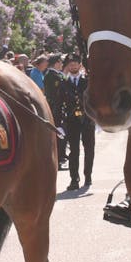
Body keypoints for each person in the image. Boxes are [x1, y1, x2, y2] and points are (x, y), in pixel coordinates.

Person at [57, 54, 93, 191]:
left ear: (80, 65)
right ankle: (74, 179)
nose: (73, 66)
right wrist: (58, 123)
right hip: (72, 120)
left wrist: (97, 117)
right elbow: (59, 104)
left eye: (75, 64)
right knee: (74, 151)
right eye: (70, 64)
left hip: (87, 119)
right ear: (67, 66)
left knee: (89, 149)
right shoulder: (63, 83)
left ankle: (88, 175)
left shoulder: (88, 81)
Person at [42, 53, 67, 169]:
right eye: (60, 62)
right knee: (57, 133)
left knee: (62, 133)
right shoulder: (51, 75)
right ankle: (58, 159)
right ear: (56, 63)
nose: (62, 64)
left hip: (60, 108)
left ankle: (62, 155)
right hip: (55, 108)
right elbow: (54, 95)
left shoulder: (58, 74)